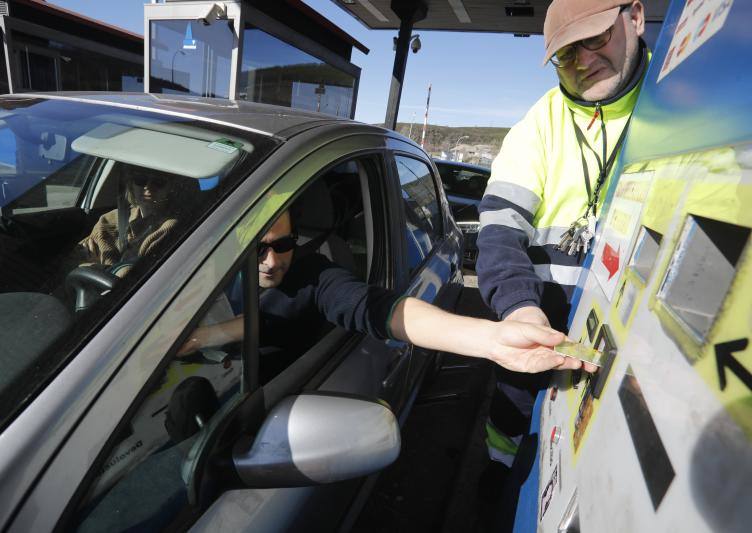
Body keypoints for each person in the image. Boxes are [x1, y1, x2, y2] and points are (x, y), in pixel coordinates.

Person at [179, 211, 591, 375]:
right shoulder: (201, 267)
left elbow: (380, 309)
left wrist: (492, 340)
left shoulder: (317, 276)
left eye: (283, 245)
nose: (271, 262)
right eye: (257, 249)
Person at [477, 0, 648, 332]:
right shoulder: (540, 121)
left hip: (641, 340)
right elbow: (500, 225)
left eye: (595, 36)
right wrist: (519, 307)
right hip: (543, 334)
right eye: (566, 53)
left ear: (636, 19)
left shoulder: (680, 101)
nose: (583, 60)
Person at [76, 164, 189, 277]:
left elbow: (136, 278)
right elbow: (76, 258)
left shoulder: (169, 227)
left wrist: (97, 266)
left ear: (171, 188)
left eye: (159, 182)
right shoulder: (109, 219)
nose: (148, 187)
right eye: (140, 180)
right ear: (131, 185)